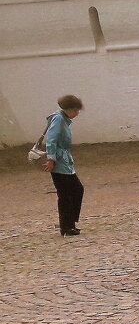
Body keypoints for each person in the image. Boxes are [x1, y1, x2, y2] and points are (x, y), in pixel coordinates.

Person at [41, 95, 85, 237]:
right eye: (76, 110)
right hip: (59, 161)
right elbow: (51, 140)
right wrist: (51, 159)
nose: (77, 114)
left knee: (75, 190)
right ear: (70, 109)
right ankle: (66, 226)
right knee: (66, 193)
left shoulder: (61, 118)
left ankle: (69, 223)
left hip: (64, 161)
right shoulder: (59, 119)